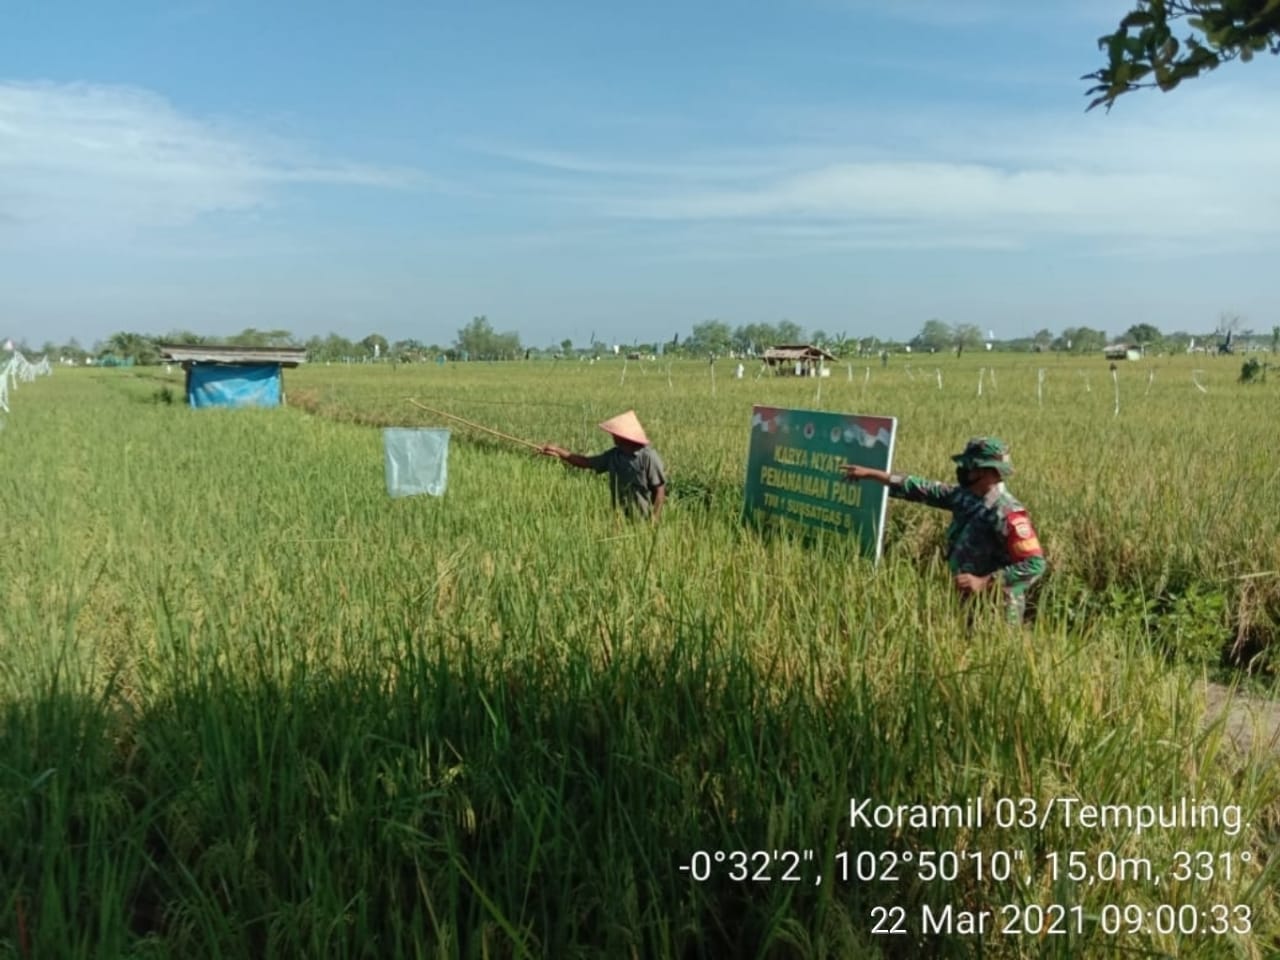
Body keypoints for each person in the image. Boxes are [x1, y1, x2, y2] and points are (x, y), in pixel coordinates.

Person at [842, 437, 1045, 624]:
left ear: (985, 471)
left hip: (996, 610)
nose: (962, 470)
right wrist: (873, 475)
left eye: (968, 466)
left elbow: (1034, 564)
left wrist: (984, 582)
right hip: (965, 602)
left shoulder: (1007, 513)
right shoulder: (967, 497)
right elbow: (925, 489)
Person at [540, 410, 668, 521]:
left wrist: (653, 521)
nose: (612, 436)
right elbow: (586, 462)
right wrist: (558, 451)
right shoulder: (614, 455)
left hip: (643, 520)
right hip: (619, 519)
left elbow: (660, 491)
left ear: (623, 436)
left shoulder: (648, 457)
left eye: (615, 434)